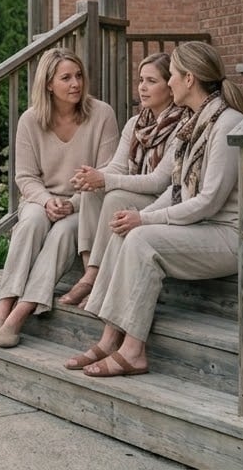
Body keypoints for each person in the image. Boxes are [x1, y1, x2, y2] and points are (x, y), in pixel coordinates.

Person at [73, 41, 243, 377]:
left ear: (189, 79)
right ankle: (110, 337)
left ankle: (133, 350)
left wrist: (147, 218)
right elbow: (177, 190)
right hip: (202, 228)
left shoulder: (226, 124)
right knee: (127, 229)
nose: (168, 83)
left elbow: (208, 201)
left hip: (230, 235)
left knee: (142, 239)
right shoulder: (196, 123)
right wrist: (137, 218)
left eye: (171, 76)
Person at [0, 48, 119, 348]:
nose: (76, 84)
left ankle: (21, 312)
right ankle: (3, 306)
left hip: (84, 207)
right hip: (41, 201)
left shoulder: (102, 114)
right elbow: (25, 177)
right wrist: (46, 201)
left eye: (79, 76)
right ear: (48, 84)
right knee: (30, 224)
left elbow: (110, 172)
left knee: (61, 234)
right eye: (66, 78)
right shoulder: (31, 120)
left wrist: (73, 203)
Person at [55, 52, 187, 319]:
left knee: (114, 196)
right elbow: (116, 168)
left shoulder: (183, 125)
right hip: (138, 194)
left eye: (151, 81)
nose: (142, 87)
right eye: (140, 80)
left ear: (170, 87)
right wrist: (91, 178)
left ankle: (97, 280)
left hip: (163, 200)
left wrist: (105, 180)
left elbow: (159, 181)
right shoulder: (136, 123)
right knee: (95, 190)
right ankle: (91, 272)